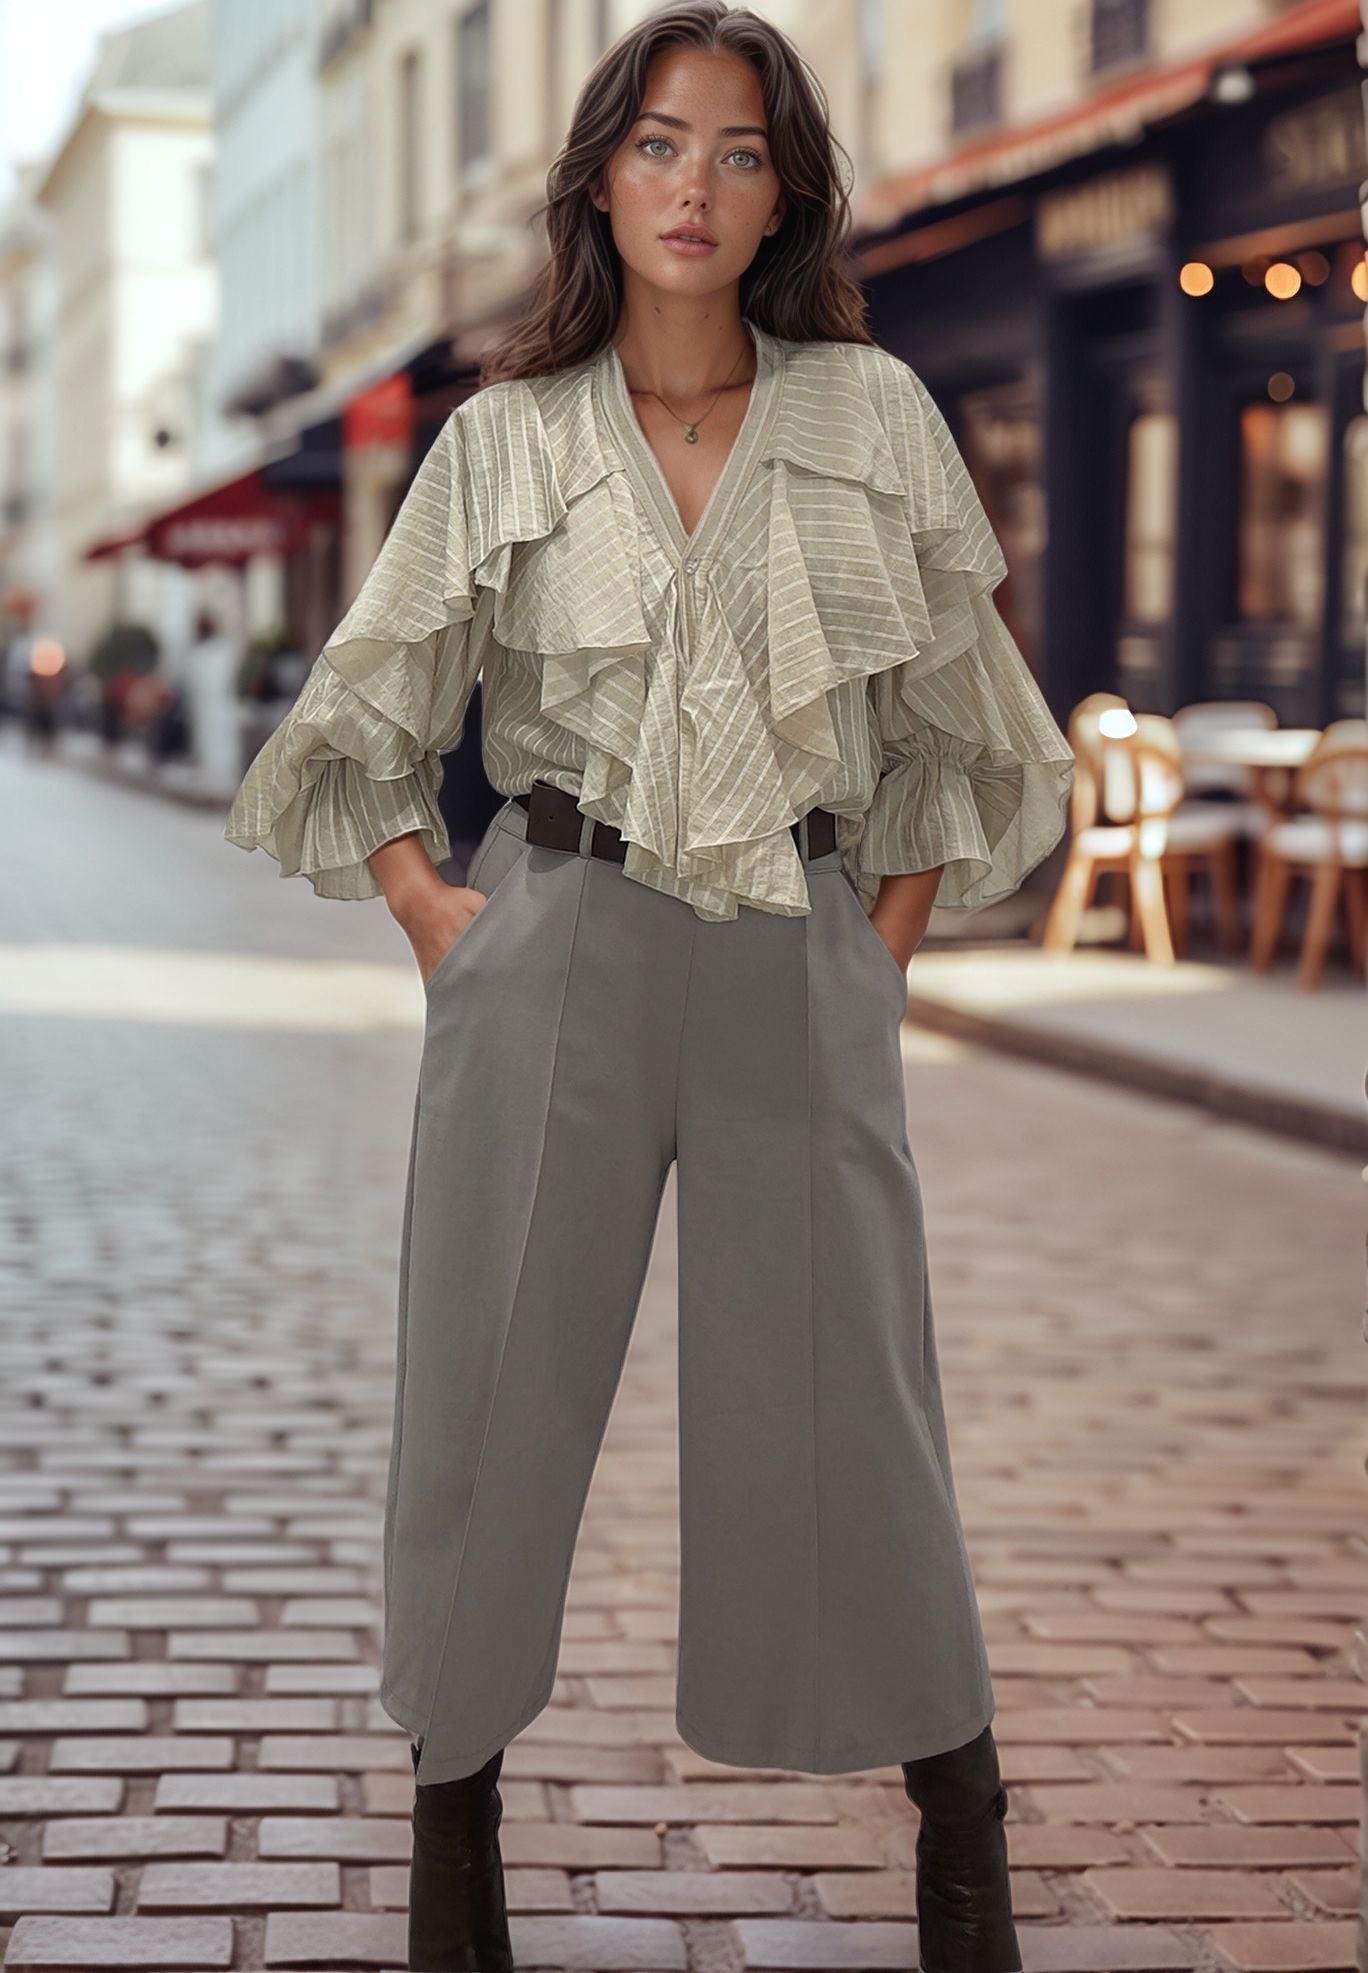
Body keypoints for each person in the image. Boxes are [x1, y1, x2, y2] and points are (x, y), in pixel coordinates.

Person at [224, 6, 1075, 1967]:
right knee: (485, 1397)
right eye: (665, 144)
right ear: (604, 171)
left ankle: (963, 1833)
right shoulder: (500, 439)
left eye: (744, 150)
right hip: (556, 943)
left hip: (799, 954)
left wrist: (878, 959)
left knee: (856, 1401)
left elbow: (958, 724)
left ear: (790, 192)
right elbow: (368, 717)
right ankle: (457, 1861)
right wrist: (450, 927)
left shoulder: (870, 417)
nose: (699, 186)